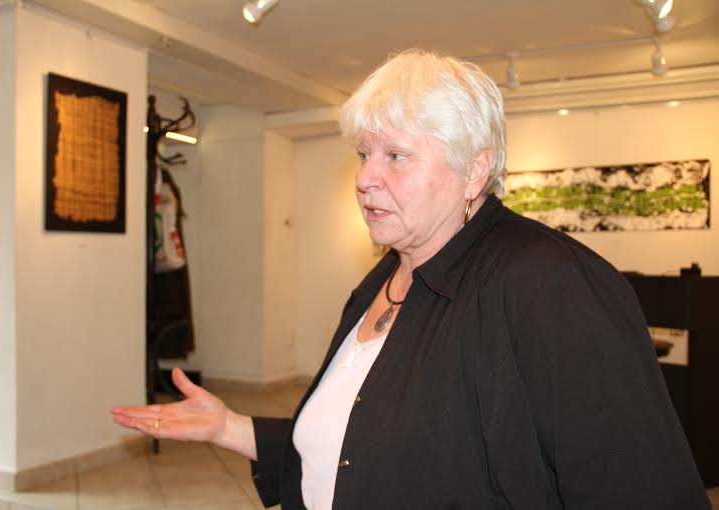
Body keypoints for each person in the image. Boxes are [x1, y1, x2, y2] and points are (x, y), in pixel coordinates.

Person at [112, 49, 710, 509]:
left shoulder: (550, 284)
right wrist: (231, 428)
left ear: (474, 170)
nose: (364, 179)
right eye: (363, 154)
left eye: (395, 156)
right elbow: (360, 443)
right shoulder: (381, 278)